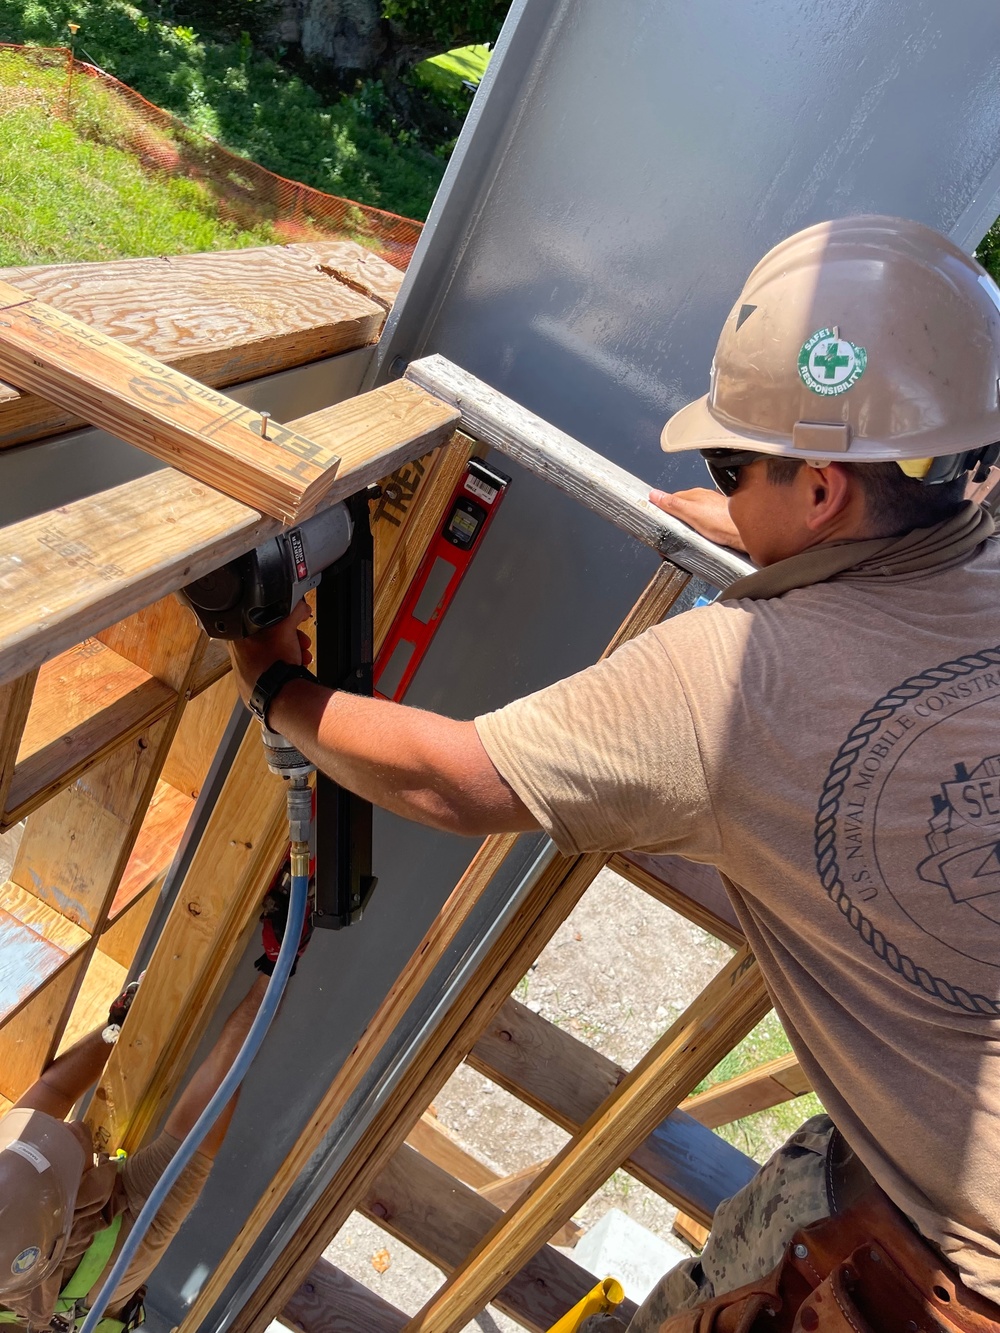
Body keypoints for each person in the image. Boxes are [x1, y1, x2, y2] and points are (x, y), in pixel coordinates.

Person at [227, 216, 1000, 1330]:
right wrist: (769, 530)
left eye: (733, 467)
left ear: (826, 493)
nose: (718, 487)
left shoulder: (741, 677)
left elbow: (457, 780)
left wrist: (275, 686)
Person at [0, 871, 310, 1333]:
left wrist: (116, 1029)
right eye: (67, 1154)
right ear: (71, 1211)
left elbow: (54, 1093)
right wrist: (275, 969)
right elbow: (198, 1126)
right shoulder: (123, 1250)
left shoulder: (13, 1186)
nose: (65, 1129)